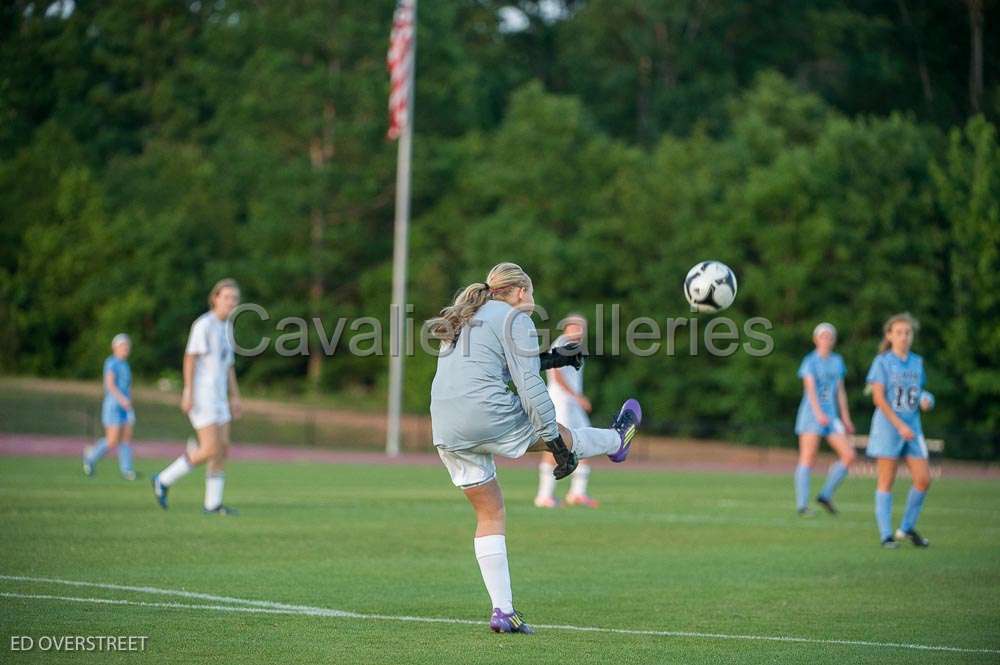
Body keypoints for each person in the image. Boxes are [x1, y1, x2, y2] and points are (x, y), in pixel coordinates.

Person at [428, 262, 641, 634]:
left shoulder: (466, 315)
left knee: (490, 512)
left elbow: (498, 365)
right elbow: (530, 388)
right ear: (522, 292)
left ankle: (503, 611)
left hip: (445, 425)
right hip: (485, 413)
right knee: (564, 433)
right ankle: (617, 440)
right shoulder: (516, 318)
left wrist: (552, 359)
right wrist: (556, 443)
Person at [152, 278, 243, 515]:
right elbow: (190, 358)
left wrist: (235, 396)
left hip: (220, 398)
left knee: (223, 449)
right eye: (227, 297)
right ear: (215, 298)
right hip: (203, 396)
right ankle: (163, 479)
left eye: (235, 298)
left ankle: (213, 504)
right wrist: (188, 392)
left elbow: (228, 365)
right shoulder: (204, 324)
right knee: (210, 448)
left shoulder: (228, 327)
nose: (231, 302)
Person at [865, 312, 934, 548]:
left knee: (923, 479)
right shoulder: (882, 362)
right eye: (899, 333)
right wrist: (899, 425)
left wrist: (927, 399)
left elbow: (918, 392)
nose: (904, 337)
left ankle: (905, 528)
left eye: (908, 333)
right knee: (886, 480)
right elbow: (879, 398)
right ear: (889, 335)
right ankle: (886, 535)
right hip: (889, 428)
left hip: (913, 428)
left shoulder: (917, 362)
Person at [535, 314, 599, 509]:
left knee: (587, 441)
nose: (579, 330)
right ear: (567, 328)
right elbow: (556, 373)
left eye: (582, 327)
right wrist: (577, 396)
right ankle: (544, 496)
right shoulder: (563, 343)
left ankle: (577, 494)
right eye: (575, 326)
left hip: (571, 403)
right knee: (555, 443)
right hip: (560, 401)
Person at [792, 322, 855, 516]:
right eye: (822, 336)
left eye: (829, 337)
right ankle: (802, 505)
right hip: (811, 416)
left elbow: (840, 391)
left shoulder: (837, 361)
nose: (826, 340)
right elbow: (810, 389)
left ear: (833, 340)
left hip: (831, 417)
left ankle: (825, 495)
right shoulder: (810, 361)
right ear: (816, 339)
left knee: (849, 455)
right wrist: (818, 413)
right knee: (808, 458)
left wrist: (845, 417)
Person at [83, 333, 137, 480]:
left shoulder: (126, 365)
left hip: (125, 406)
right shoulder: (111, 362)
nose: (126, 348)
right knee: (112, 440)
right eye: (123, 345)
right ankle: (90, 457)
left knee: (126, 438)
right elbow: (110, 385)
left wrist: (129, 401)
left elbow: (128, 385)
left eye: (127, 346)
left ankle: (127, 470)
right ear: (115, 347)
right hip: (113, 405)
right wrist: (122, 400)